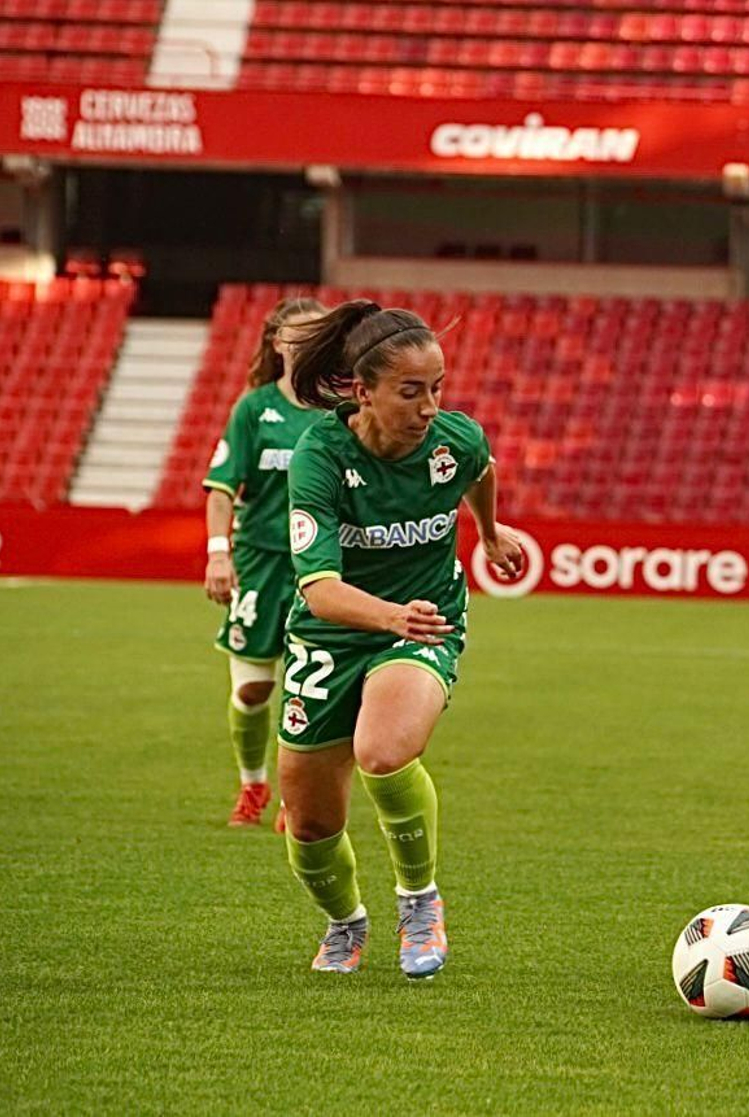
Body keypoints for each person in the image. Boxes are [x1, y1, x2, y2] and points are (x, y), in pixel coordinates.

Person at [277, 300, 525, 977]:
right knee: (309, 820)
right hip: (332, 633)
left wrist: (489, 532)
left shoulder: (454, 440)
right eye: (411, 391)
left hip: (425, 620)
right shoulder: (319, 457)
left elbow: (481, 467)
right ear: (363, 391)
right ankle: (344, 924)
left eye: (437, 388)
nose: (429, 407)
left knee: (384, 751)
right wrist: (388, 615)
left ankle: (420, 902)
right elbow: (318, 589)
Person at [202, 295, 326, 828]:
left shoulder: (342, 412)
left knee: (310, 692)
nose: (309, 344)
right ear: (278, 344)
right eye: (299, 335)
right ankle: (253, 784)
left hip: (321, 570)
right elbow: (221, 488)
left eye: (319, 335)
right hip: (259, 563)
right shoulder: (254, 409)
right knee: (253, 690)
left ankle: (297, 798)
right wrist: (218, 554)